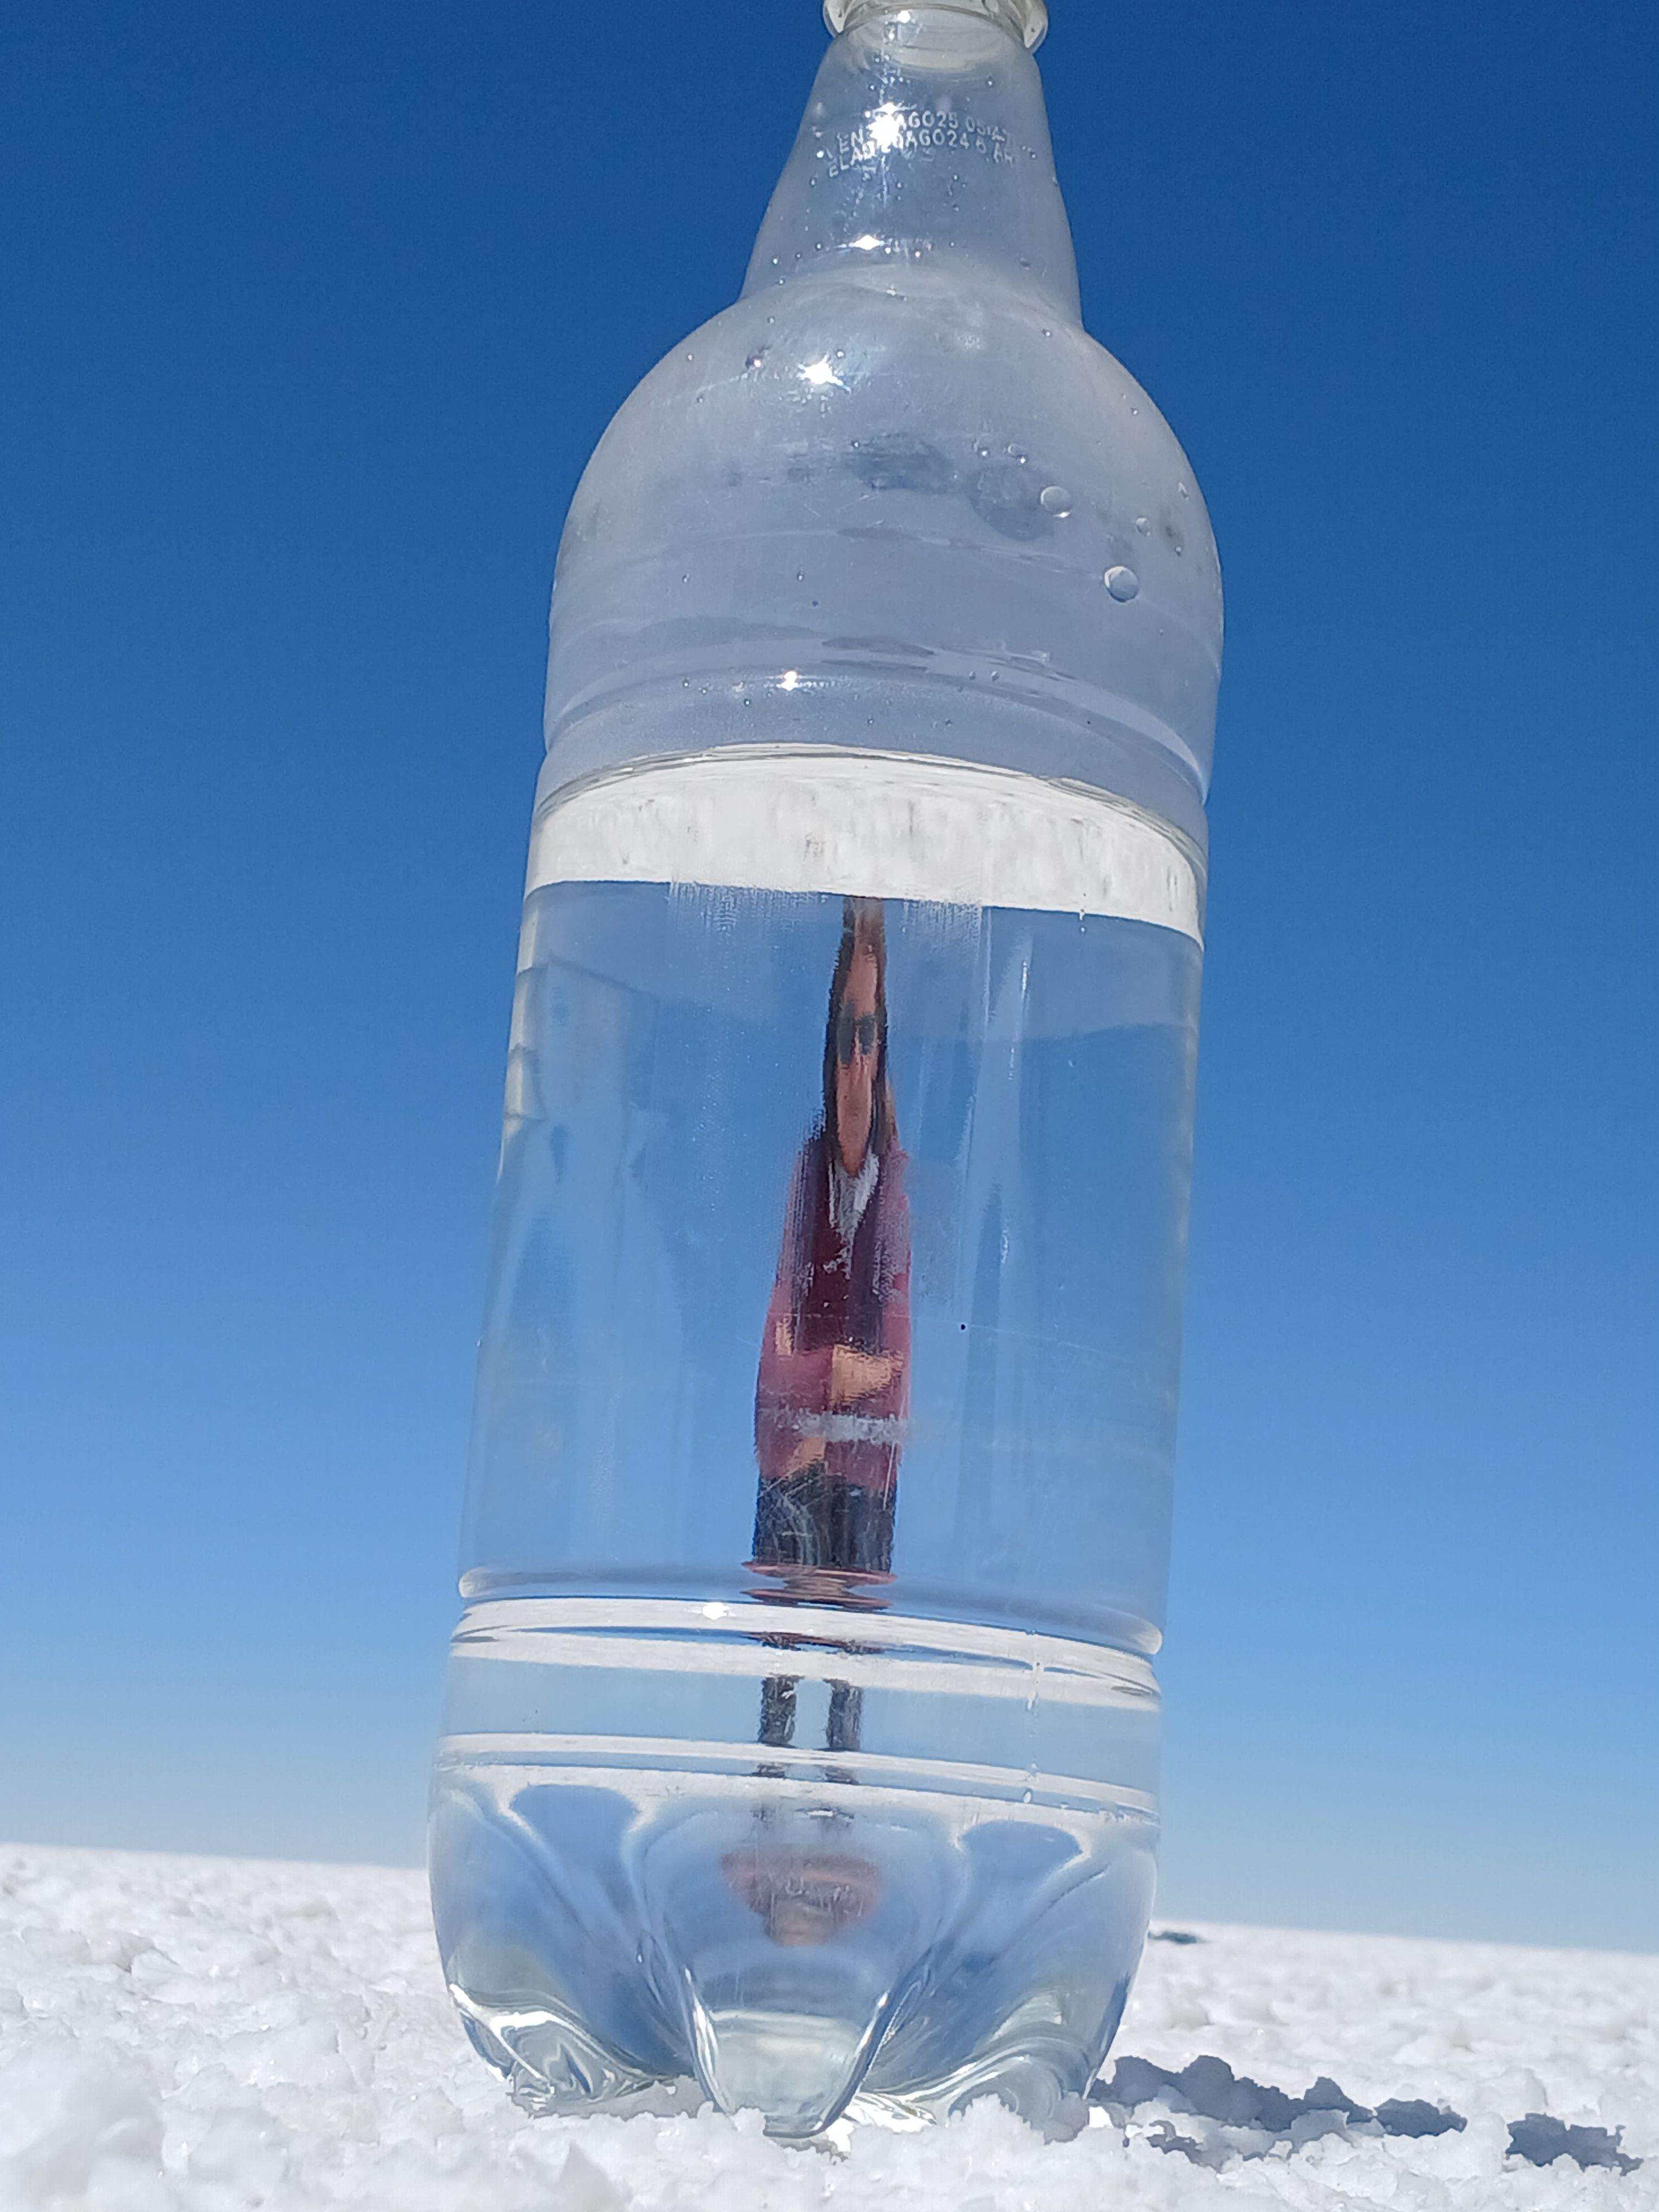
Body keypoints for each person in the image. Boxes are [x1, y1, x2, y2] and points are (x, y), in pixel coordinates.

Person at [750, 899, 911, 1759]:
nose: (855, 1062)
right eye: (846, 1039)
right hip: (796, 1456)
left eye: (869, 1040)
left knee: (853, 1643)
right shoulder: (806, 1178)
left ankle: (841, 1794)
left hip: (865, 1463)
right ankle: (768, 1789)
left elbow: (895, 1361)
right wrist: (824, 1381)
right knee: (781, 1646)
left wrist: (848, 1381)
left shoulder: (895, 1192)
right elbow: (779, 1350)